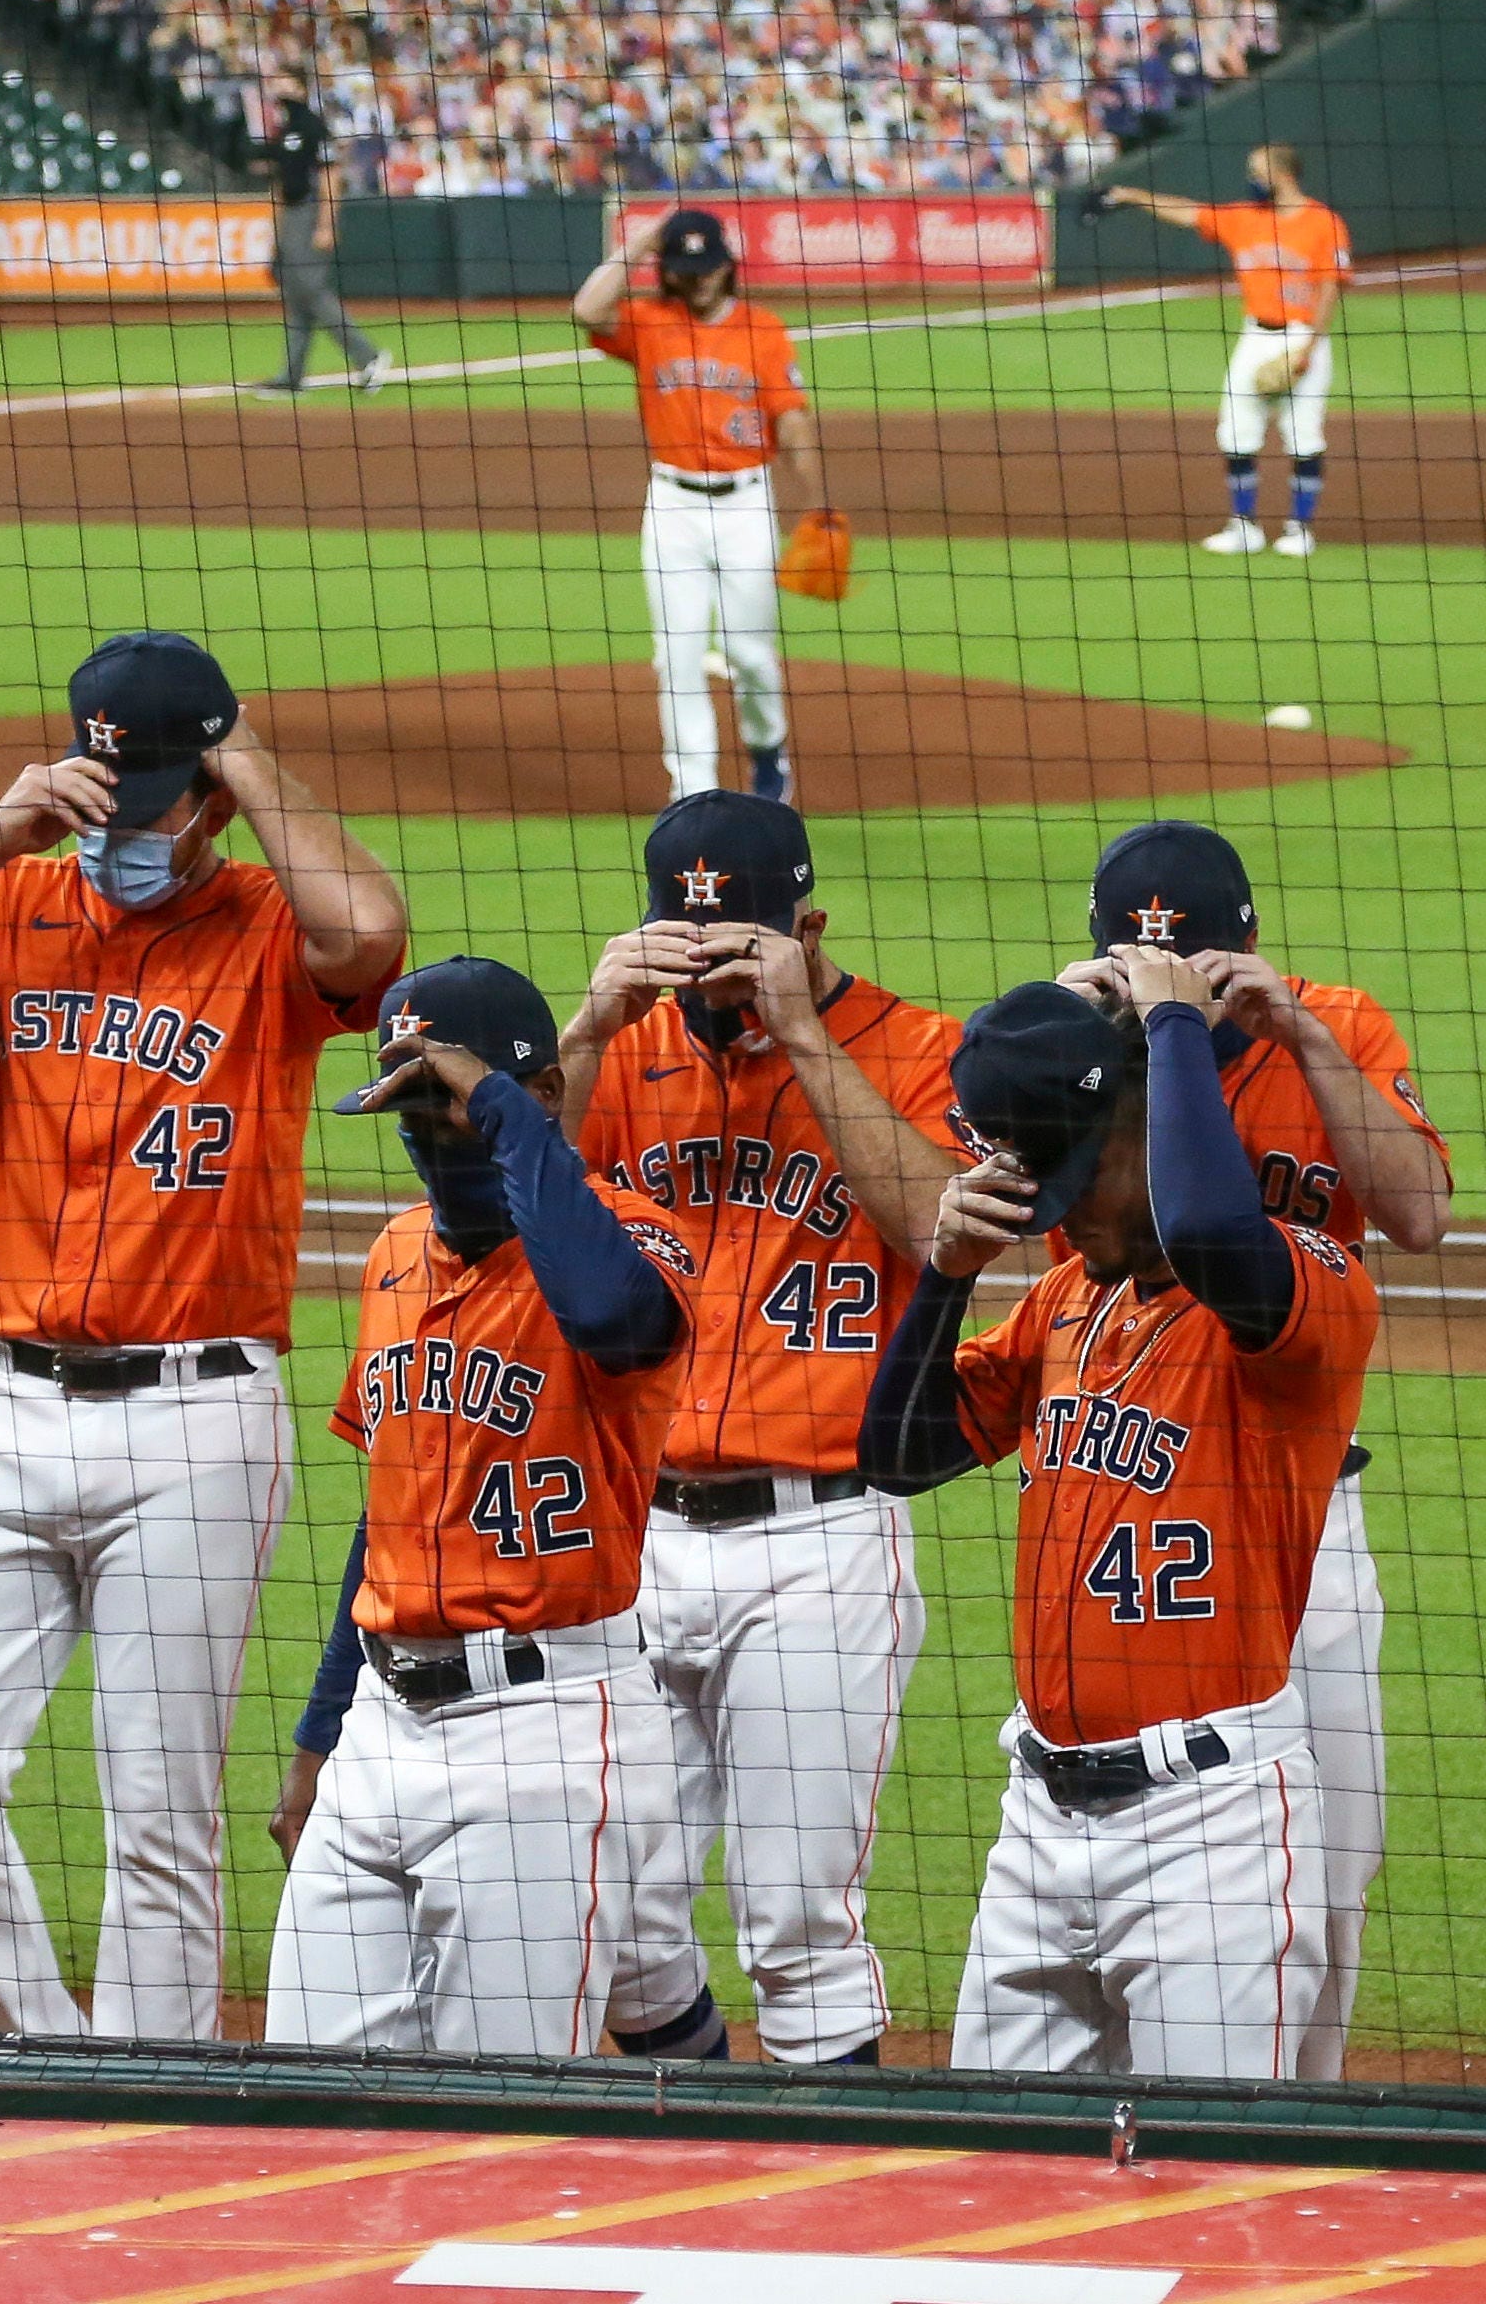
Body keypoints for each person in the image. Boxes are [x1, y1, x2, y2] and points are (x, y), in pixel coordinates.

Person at [0, 629, 408, 2040]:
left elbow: (371, 939)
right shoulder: (13, 903)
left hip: (195, 1416)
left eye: (151, 804)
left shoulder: (266, 923)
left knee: (157, 1809)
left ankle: (156, 2100)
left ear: (202, 794)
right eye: (102, 794)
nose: (116, 833)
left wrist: (243, 767)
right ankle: (39, 2052)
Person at [860, 963, 1380, 2078]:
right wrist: (945, 1275)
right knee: (992, 2186)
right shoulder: (1065, 1307)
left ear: (1148, 1124)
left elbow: (1205, 1221)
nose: (1060, 1222)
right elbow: (895, 1456)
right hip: (1037, 1827)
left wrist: (1175, 1024)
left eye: (1077, 1182)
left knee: (1213, 2188)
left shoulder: (1303, 1291)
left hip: (1210, 1828)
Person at [556, 793, 970, 2066]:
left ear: (805, 926)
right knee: (609, 1914)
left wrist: (798, 1033)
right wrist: (580, 1034)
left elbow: (940, 1230)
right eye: (684, 947)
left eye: (737, 948)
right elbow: (519, 1233)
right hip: (634, 1536)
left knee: (794, 1921)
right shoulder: (627, 1048)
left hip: (819, 1543)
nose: (709, 977)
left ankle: (820, 2205)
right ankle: (701, 2159)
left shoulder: (916, 1046)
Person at [1056, 818, 1450, 2081]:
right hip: (1127, 1499)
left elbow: (1419, 1213)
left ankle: (1298, 2135)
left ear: (1253, 947)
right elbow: (975, 1209)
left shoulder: (1331, 1022)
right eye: (1143, 959)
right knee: (1095, 1847)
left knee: (1331, 1880)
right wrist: (1054, 1041)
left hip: (1297, 1517)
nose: (1175, 987)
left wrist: (1306, 1038)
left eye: (1200, 965)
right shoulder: (1074, 1046)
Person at [265, 958, 700, 2056]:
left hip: (541, 1729)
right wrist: (323, 1729)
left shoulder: (639, 1234)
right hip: (381, 1718)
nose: (424, 1136)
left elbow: (615, 1320)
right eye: (405, 1110)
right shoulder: (394, 1252)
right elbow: (389, 1515)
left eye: (444, 1108)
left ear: (535, 1095)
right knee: (305, 2103)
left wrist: (505, 1119)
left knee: (500, 2118)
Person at [571, 208, 831, 805]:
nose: (700, 281)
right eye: (688, 269)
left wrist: (818, 505)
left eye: (709, 268)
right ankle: (695, 795)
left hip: (745, 508)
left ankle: (768, 752)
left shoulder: (763, 329)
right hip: (671, 508)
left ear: (728, 266)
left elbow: (791, 422)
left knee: (751, 655)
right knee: (677, 654)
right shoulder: (647, 322)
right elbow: (585, 309)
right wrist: (640, 242)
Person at [1093, 145, 1350, 557]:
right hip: (1255, 337)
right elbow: (1187, 211)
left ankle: (1299, 529)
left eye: (1256, 171)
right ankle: (1243, 527)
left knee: (1303, 437)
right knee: (1235, 432)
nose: (1251, 178)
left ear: (1282, 175)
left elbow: (1330, 289)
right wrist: (1129, 196)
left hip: (1303, 338)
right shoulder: (1243, 218)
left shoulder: (1324, 223)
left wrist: (1307, 351)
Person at [252, 70, 389, 396]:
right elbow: (280, 185)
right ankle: (291, 377)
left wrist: (327, 224)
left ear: (300, 87)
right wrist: (276, 231)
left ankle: (368, 355)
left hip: (312, 213)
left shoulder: (314, 127)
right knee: (297, 298)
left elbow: (330, 178)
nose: (278, 86)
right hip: (292, 215)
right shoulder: (284, 131)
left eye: (285, 80)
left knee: (311, 291)